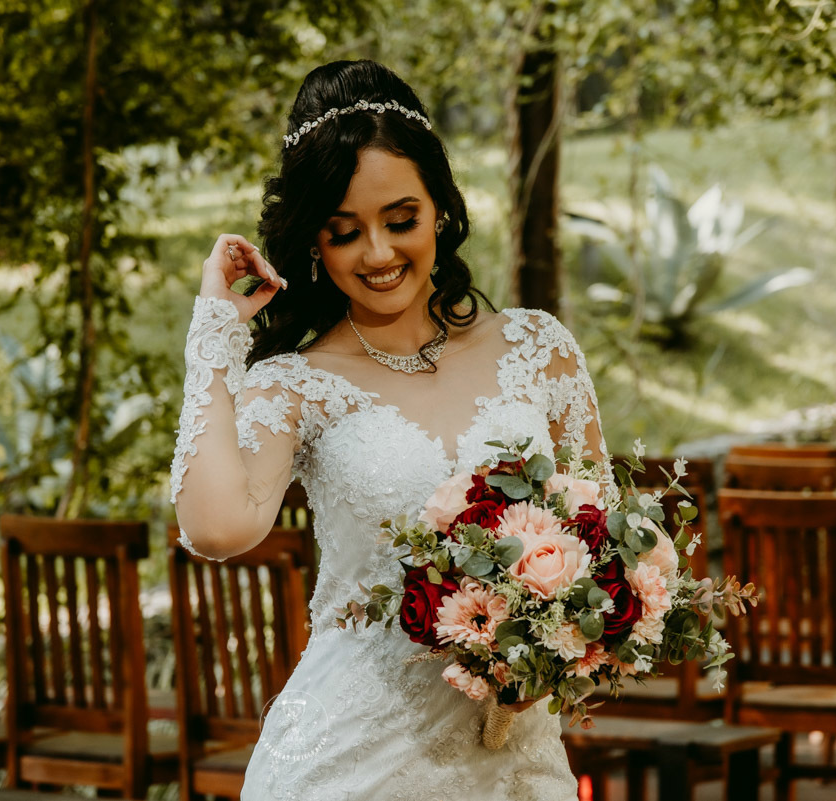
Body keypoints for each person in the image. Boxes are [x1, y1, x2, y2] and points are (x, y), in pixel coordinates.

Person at [170, 60, 606, 801]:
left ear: (440, 206)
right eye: (345, 233)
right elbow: (215, 529)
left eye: (400, 220)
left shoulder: (539, 350)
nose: (378, 253)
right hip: (350, 767)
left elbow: (605, 545)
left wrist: (557, 650)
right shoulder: (298, 383)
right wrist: (213, 336)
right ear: (314, 241)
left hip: (518, 766)